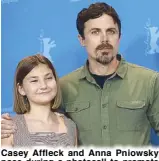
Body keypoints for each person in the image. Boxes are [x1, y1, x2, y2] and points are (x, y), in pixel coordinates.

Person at [1, 2, 159, 146]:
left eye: (111, 31)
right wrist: (8, 126)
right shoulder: (63, 86)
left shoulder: (149, 81)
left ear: (119, 37)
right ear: (82, 39)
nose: (105, 39)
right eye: (95, 32)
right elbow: (38, 123)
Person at [1, 54, 77, 147]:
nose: (43, 86)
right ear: (21, 88)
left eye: (48, 78)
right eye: (34, 81)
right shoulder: (9, 129)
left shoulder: (70, 125)